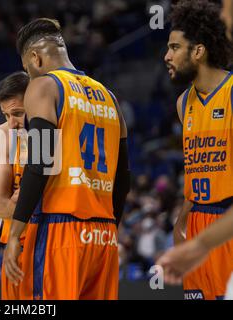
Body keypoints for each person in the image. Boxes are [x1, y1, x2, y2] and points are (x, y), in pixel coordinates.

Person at [3, 18, 130, 300]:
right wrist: (111, 230)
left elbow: (39, 164)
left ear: (35, 58)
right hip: (104, 234)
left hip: (60, 228)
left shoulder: (44, 86)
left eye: (27, 69)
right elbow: (123, 179)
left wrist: (15, 234)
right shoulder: (110, 97)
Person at [157, 0, 233, 300]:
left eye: (175, 47)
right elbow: (196, 167)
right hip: (197, 220)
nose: (167, 56)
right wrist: (183, 218)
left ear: (198, 51)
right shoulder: (182, 103)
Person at [0, 71, 29, 299]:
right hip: (19, 245)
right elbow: (3, 206)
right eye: (6, 115)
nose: (12, 123)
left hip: (57, 240)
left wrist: (23, 196)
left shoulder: (55, 134)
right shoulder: (0, 137)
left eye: (18, 114)